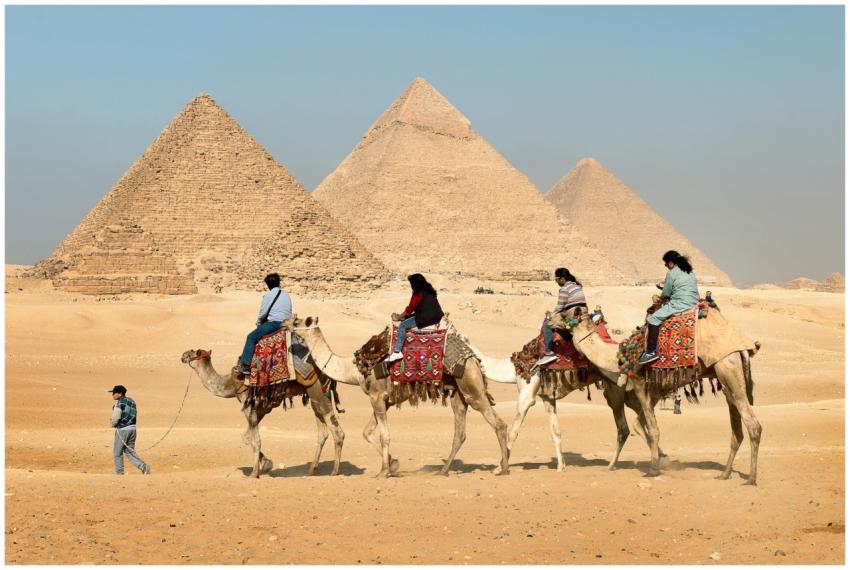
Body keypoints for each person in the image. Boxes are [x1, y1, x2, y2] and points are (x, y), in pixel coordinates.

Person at [638, 250, 700, 365]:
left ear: (671, 263)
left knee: (653, 319)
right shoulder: (689, 271)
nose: (665, 265)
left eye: (666, 263)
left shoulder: (672, 273)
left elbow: (666, 293)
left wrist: (658, 298)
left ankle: (651, 352)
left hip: (681, 303)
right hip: (694, 301)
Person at [238, 273, 292, 375]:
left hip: (274, 324)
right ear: (279, 282)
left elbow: (263, 313)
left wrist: (259, 322)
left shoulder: (268, 296)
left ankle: (245, 365)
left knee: (251, 337)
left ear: (268, 285)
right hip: (287, 323)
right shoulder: (286, 294)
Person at [536, 268, 587, 367]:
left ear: (562, 279)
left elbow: (559, 307)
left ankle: (549, 352)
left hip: (572, 315)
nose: (557, 282)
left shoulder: (564, 289)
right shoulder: (577, 286)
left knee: (547, 324)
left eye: (556, 280)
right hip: (583, 313)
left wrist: (550, 317)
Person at [387, 274, 444, 363]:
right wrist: (405, 316)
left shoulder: (418, 293)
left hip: (425, 318)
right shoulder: (429, 290)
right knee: (406, 319)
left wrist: (398, 317)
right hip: (436, 316)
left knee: (402, 325)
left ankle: (397, 351)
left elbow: (409, 309)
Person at [109, 385, 150, 475]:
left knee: (117, 452)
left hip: (123, 430)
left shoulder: (119, 403)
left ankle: (120, 474)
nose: (112, 395)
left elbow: (115, 418)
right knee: (129, 451)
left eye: (114, 393)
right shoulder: (132, 401)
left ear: (119, 394)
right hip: (133, 429)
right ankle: (143, 466)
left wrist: (113, 424)